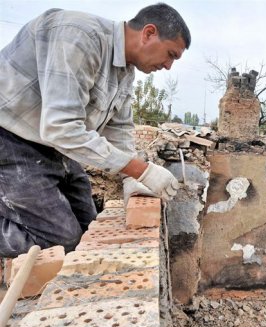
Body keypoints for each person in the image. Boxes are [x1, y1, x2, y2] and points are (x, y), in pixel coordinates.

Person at [0, 3, 191, 258]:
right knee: (61, 241)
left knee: (89, 230)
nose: (168, 66)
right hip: (11, 140)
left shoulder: (124, 71)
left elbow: (120, 127)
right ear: (148, 33)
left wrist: (132, 180)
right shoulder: (79, 37)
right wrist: (141, 170)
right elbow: (61, 127)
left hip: (54, 149)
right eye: (171, 54)